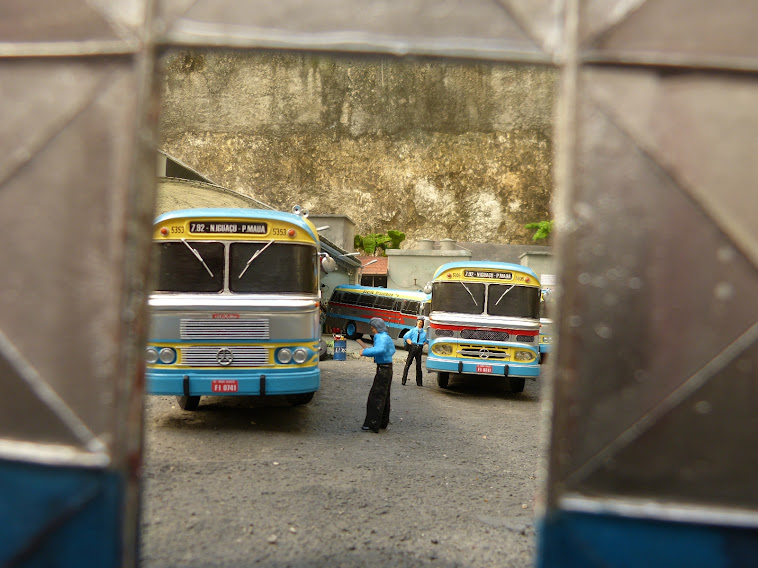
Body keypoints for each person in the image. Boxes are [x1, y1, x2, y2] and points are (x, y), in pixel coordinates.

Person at [356, 317, 396, 433]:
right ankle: (383, 421)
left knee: (375, 397)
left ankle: (372, 423)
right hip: (388, 367)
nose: (372, 330)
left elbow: (380, 349)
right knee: (384, 395)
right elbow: (392, 350)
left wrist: (365, 352)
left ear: (377, 328)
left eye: (373, 328)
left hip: (382, 368)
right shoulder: (387, 337)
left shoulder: (380, 337)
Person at [401, 317, 428, 386]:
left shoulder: (424, 333)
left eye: (421, 322)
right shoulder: (413, 330)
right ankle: (403, 380)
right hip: (413, 347)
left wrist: (422, 344)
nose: (419, 323)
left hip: (419, 348)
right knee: (408, 364)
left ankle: (419, 382)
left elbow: (427, 340)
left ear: (422, 324)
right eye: (418, 322)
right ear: (416, 322)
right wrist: (410, 342)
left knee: (418, 365)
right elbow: (406, 336)